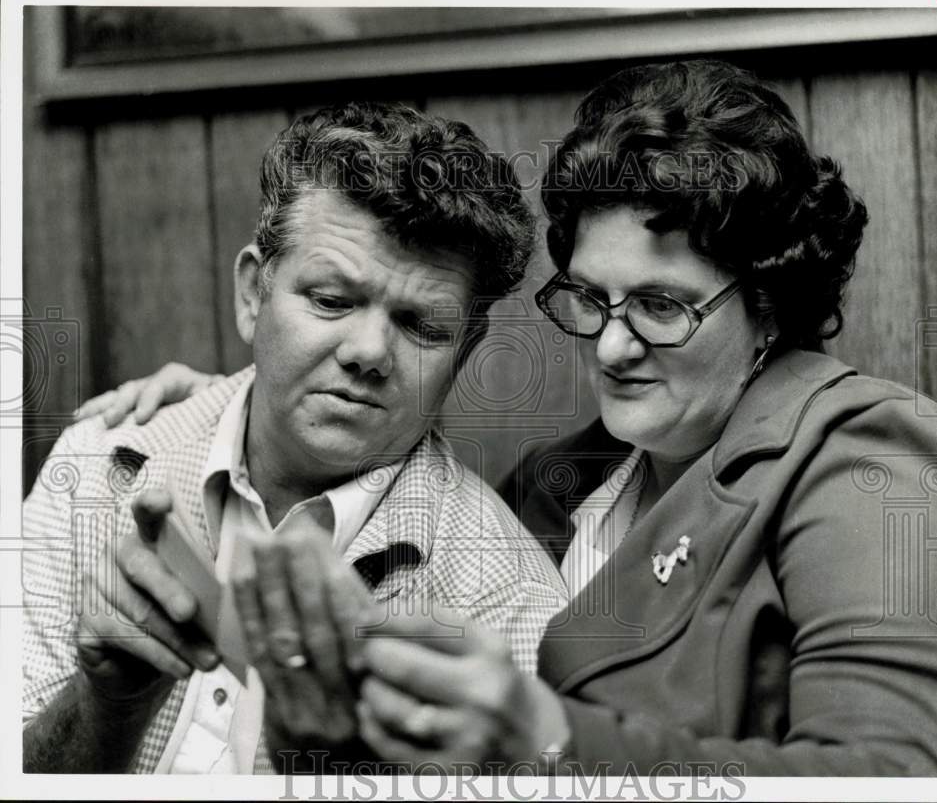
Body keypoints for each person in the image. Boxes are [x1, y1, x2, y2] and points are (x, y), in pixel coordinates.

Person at [74, 60, 937, 777]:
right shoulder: (560, 483)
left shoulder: (864, 454)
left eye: (660, 307)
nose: (610, 350)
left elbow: (898, 776)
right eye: (591, 300)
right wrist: (229, 396)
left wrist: (547, 735)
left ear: (768, 303)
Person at [21, 102, 568, 774]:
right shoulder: (97, 468)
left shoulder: (507, 598)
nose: (369, 351)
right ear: (254, 294)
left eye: (422, 325)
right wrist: (106, 704)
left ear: (465, 349)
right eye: (332, 300)